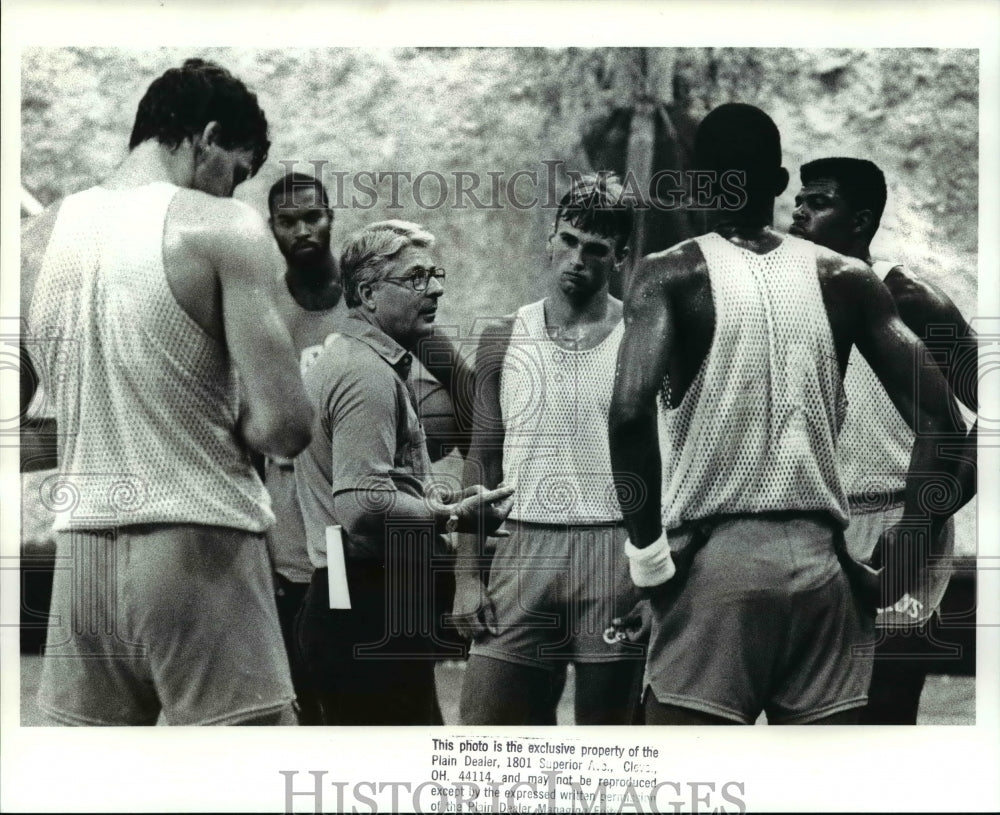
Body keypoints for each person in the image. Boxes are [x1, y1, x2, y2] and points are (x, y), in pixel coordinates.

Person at [608, 103, 976, 725]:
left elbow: (627, 416)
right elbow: (942, 420)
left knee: (688, 777)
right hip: (826, 561)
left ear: (695, 182)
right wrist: (910, 543)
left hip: (720, 557)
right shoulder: (849, 280)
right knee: (830, 780)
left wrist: (649, 562)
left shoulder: (667, 272)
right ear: (779, 186)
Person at [21, 58, 313, 726]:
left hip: (83, 561)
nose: (235, 194)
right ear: (206, 137)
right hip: (199, 541)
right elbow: (286, 425)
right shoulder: (222, 229)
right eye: (237, 172)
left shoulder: (31, 243)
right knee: (254, 787)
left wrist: (106, 418)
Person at [294, 220, 513, 725]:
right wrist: (450, 513)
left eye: (436, 274)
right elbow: (364, 503)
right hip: (365, 603)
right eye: (416, 278)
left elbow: (471, 404)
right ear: (369, 293)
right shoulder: (365, 374)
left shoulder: (357, 357)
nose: (435, 287)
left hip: (359, 597)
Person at [790, 156, 978, 723]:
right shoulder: (785, 295)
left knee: (886, 710)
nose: (798, 213)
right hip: (814, 523)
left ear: (861, 221)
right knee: (809, 713)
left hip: (900, 517)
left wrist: (922, 522)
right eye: (798, 200)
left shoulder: (914, 300)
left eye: (817, 202)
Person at [453, 174, 644, 726]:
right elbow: (482, 458)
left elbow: (671, 458)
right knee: (488, 738)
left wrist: (657, 579)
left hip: (612, 551)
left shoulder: (642, 335)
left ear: (621, 257)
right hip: (522, 544)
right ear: (550, 237)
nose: (577, 259)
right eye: (569, 240)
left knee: (608, 749)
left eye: (596, 249)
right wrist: (468, 574)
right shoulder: (504, 335)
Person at [262, 171, 345, 725]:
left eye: (312, 217)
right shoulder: (262, 308)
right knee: (298, 665)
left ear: (330, 217)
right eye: (288, 222)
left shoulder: (362, 300)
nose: (302, 230)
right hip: (287, 508)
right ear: (272, 229)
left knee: (341, 635)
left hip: (347, 509)